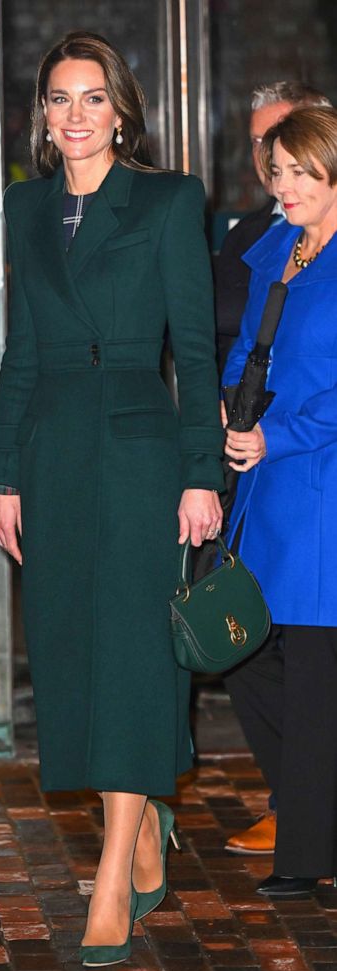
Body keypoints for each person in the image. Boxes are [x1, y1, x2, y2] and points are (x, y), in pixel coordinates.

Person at [0, 31, 223, 965]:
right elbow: (21, 359)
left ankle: (111, 875)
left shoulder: (169, 201)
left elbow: (195, 352)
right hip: (52, 459)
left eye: (92, 99)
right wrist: (3, 474)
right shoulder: (26, 207)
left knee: (131, 657)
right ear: (41, 116)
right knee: (77, 657)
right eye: (58, 100)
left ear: (121, 111)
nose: (75, 116)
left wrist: (201, 470)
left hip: (139, 456)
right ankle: (145, 819)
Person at [222, 105, 337, 897]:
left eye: (303, 173)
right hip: (260, 484)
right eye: (278, 171)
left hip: (321, 486)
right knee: (240, 651)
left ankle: (304, 851)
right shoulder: (278, 248)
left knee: (313, 670)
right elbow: (244, 345)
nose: (285, 186)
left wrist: (280, 435)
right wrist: (230, 413)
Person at [216, 81, 331, 372]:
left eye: (297, 169)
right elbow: (243, 343)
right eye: (257, 142)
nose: (267, 153)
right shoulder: (251, 238)